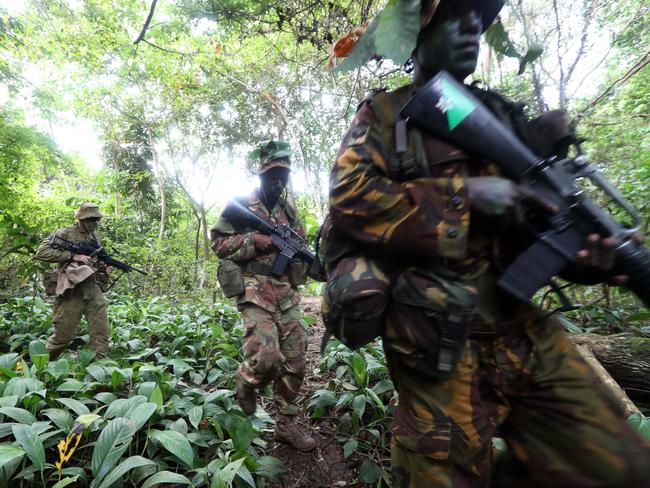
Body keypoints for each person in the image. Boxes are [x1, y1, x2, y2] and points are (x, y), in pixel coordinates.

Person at [326, 0, 650, 485]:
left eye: (479, 19)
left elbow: (541, 227)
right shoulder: (386, 118)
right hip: (437, 343)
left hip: (522, 332)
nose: (472, 28)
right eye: (455, 18)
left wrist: (590, 260)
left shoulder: (503, 115)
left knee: (618, 466)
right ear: (417, 35)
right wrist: (463, 196)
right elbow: (349, 199)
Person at [211, 141, 316, 452]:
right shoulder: (242, 205)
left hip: (286, 294)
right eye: (272, 174)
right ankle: (246, 380)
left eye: (283, 174)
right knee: (266, 357)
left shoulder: (290, 212)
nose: (278, 180)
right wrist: (256, 240)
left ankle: (286, 424)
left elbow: (299, 254)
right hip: (254, 290)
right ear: (259, 175)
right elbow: (218, 244)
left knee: (296, 362)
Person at [36, 202, 113, 360]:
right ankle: (38, 366)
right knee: (62, 337)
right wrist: (72, 256)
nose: (95, 224)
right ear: (82, 220)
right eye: (91, 221)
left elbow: (95, 261)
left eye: (97, 221)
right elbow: (42, 252)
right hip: (71, 290)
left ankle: (100, 371)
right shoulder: (65, 233)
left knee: (101, 334)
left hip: (92, 289)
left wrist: (104, 268)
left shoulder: (94, 238)